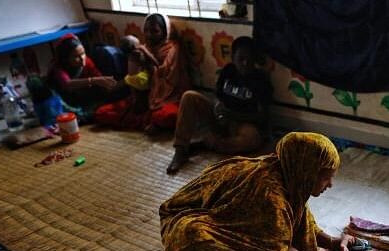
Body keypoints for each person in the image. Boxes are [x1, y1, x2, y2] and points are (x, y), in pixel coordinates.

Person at [160, 132, 356, 251]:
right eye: (326, 177)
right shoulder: (273, 199)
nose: (330, 184)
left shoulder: (290, 174)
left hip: (232, 222)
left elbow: (302, 222)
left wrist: (332, 242)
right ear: (307, 171)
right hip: (192, 221)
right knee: (195, 238)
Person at [166, 36, 272, 174]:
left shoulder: (260, 79)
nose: (245, 63)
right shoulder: (228, 70)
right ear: (233, 57)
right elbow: (217, 95)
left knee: (252, 139)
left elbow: (262, 116)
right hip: (220, 118)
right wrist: (217, 105)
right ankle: (180, 150)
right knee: (189, 96)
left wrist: (233, 115)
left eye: (249, 60)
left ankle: (208, 143)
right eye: (241, 59)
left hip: (241, 124)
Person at [47, 33, 117, 123]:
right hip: (64, 99)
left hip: (81, 97)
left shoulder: (87, 61)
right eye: (76, 56)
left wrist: (106, 82)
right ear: (65, 58)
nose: (82, 58)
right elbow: (68, 84)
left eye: (83, 53)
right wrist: (92, 81)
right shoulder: (57, 67)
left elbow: (99, 77)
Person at [139, 13, 190, 132]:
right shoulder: (145, 48)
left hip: (172, 97)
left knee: (168, 115)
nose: (149, 35)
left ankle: (155, 121)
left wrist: (148, 57)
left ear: (165, 31)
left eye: (154, 31)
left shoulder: (173, 49)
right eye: (146, 30)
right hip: (150, 97)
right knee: (104, 112)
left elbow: (167, 75)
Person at [95, 43, 154, 129]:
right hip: (138, 104)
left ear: (141, 66)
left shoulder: (136, 78)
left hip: (140, 107)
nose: (129, 67)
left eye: (131, 64)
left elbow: (114, 88)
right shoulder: (144, 73)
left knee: (101, 113)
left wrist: (103, 86)